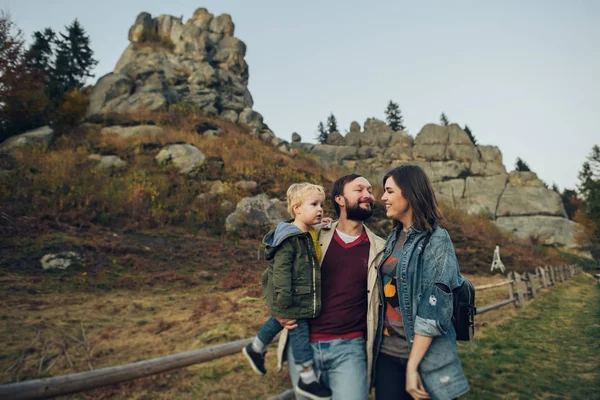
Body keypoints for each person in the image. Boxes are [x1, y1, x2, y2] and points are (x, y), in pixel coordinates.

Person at [275, 174, 386, 400]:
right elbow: (279, 272)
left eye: (370, 190)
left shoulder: (380, 249)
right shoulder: (311, 234)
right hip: (303, 344)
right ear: (340, 199)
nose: (368, 195)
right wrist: (278, 309)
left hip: (350, 348)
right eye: (359, 190)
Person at [373, 165, 469, 400]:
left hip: (424, 356)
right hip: (386, 354)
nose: (383, 197)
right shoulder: (393, 238)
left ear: (409, 192)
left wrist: (412, 366)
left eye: (389, 191)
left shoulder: (437, 240)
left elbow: (433, 310)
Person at [243, 182, 332, 400]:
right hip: (290, 297)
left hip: (296, 295)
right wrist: (284, 302)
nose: (320, 209)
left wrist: (324, 224)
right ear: (297, 209)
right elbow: (282, 271)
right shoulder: (289, 239)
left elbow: (312, 236)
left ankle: (256, 347)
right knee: (298, 330)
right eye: (314, 204)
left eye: (322, 204)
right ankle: (307, 377)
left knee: (279, 323)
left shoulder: (307, 232)